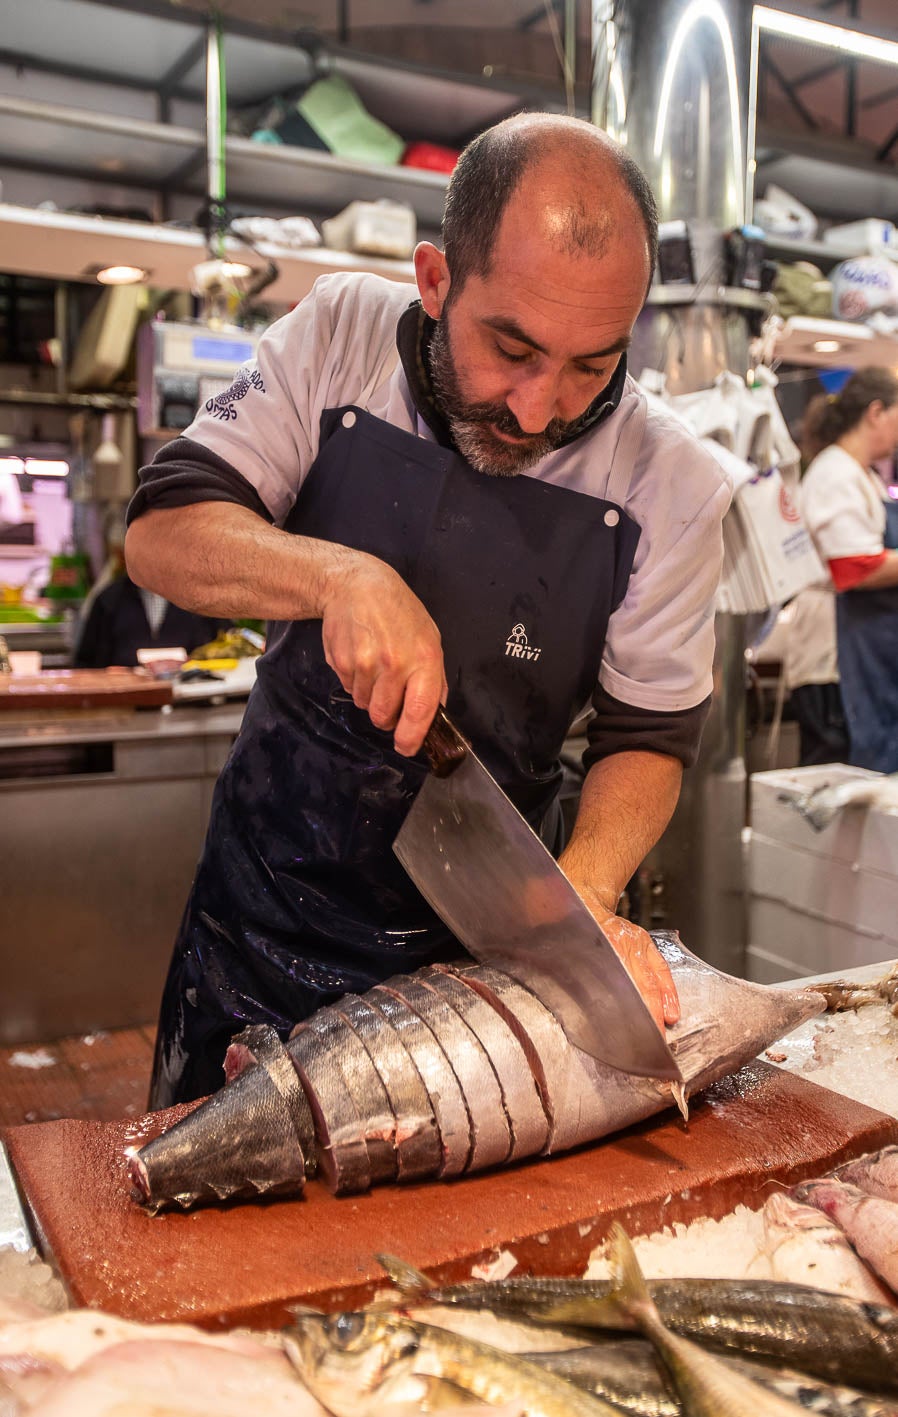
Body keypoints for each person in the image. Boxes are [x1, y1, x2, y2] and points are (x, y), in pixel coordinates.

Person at [125, 113, 732, 1108]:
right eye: (512, 348)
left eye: (593, 366)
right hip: (260, 922)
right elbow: (162, 532)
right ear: (435, 280)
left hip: (488, 959)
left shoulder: (671, 482)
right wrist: (339, 577)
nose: (540, 412)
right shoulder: (337, 335)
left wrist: (578, 897)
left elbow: (649, 734)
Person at [800, 368, 898, 776]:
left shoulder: (864, 476)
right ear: (876, 413)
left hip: (867, 654)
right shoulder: (835, 473)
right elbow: (853, 568)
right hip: (837, 662)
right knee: (836, 795)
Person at [781, 392, 849, 767]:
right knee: (828, 757)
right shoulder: (833, 474)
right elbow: (847, 563)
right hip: (824, 642)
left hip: (830, 636)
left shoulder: (838, 472)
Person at [73, 557, 225, 668]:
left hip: (194, 704)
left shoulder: (203, 598)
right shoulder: (108, 600)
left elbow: (227, 651)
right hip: (125, 704)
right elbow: (85, 664)